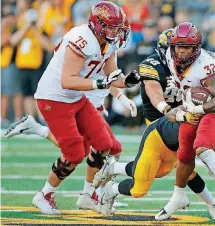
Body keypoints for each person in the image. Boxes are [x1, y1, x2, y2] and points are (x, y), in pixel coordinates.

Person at [14, 1, 139, 215]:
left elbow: (113, 75)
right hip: (54, 98)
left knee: (104, 144)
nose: (116, 32)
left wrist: (127, 82)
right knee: (74, 153)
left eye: (118, 27)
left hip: (76, 97)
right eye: (112, 27)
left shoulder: (107, 43)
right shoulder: (81, 39)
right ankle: (44, 195)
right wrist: (100, 84)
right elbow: (68, 80)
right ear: (97, 25)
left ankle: (88, 195)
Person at [93, 94, 215, 218]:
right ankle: (111, 189)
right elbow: (171, 114)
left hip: (178, 150)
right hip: (158, 138)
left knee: (179, 172)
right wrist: (183, 115)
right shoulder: (203, 107)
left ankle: (114, 167)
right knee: (138, 189)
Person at [155, 22, 215, 220]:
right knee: (184, 155)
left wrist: (197, 108)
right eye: (179, 46)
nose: (182, 51)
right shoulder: (170, 56)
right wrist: (182, 110)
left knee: (202, 148)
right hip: (192, 106)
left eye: (187, 47)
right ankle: (178, 196)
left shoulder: (205, 63)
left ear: (196, 47)